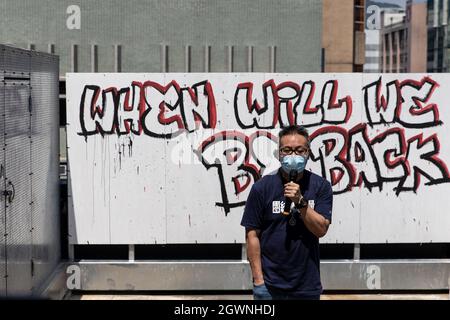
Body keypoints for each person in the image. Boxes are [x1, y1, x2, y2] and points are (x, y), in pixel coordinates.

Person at [241, 125, 332, 300]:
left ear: (308, 153)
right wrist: (259, 281)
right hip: (270, 286)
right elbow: (252, 235)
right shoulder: (262, 188)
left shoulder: (321, 186)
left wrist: (301, 202)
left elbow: (321, 230)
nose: (293, 156)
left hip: (306, 286)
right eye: (287, 150)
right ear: (279, 153)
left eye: (299, 150)